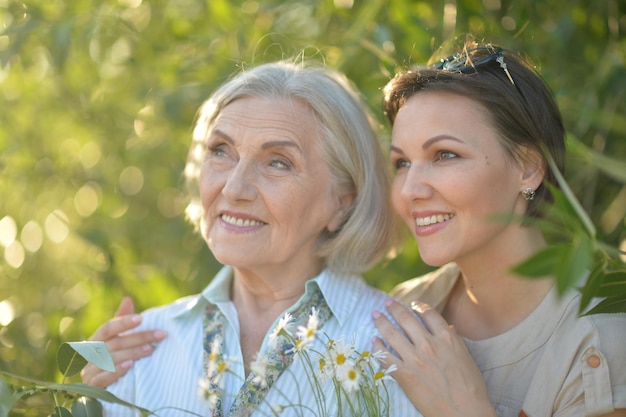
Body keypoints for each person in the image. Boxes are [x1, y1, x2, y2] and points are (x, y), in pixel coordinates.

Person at [83, 61, 419, 416]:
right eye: (220, 151)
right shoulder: (141, 348)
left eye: (278, 162)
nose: (234, 187)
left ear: (342, 202)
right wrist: (85, 403)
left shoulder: (400, 351)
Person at [371, 40, 626, 417]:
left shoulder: (601, 339)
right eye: (402, 163)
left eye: (444, 155)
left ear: (528, 168)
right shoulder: (403, 314)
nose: (410, 191)